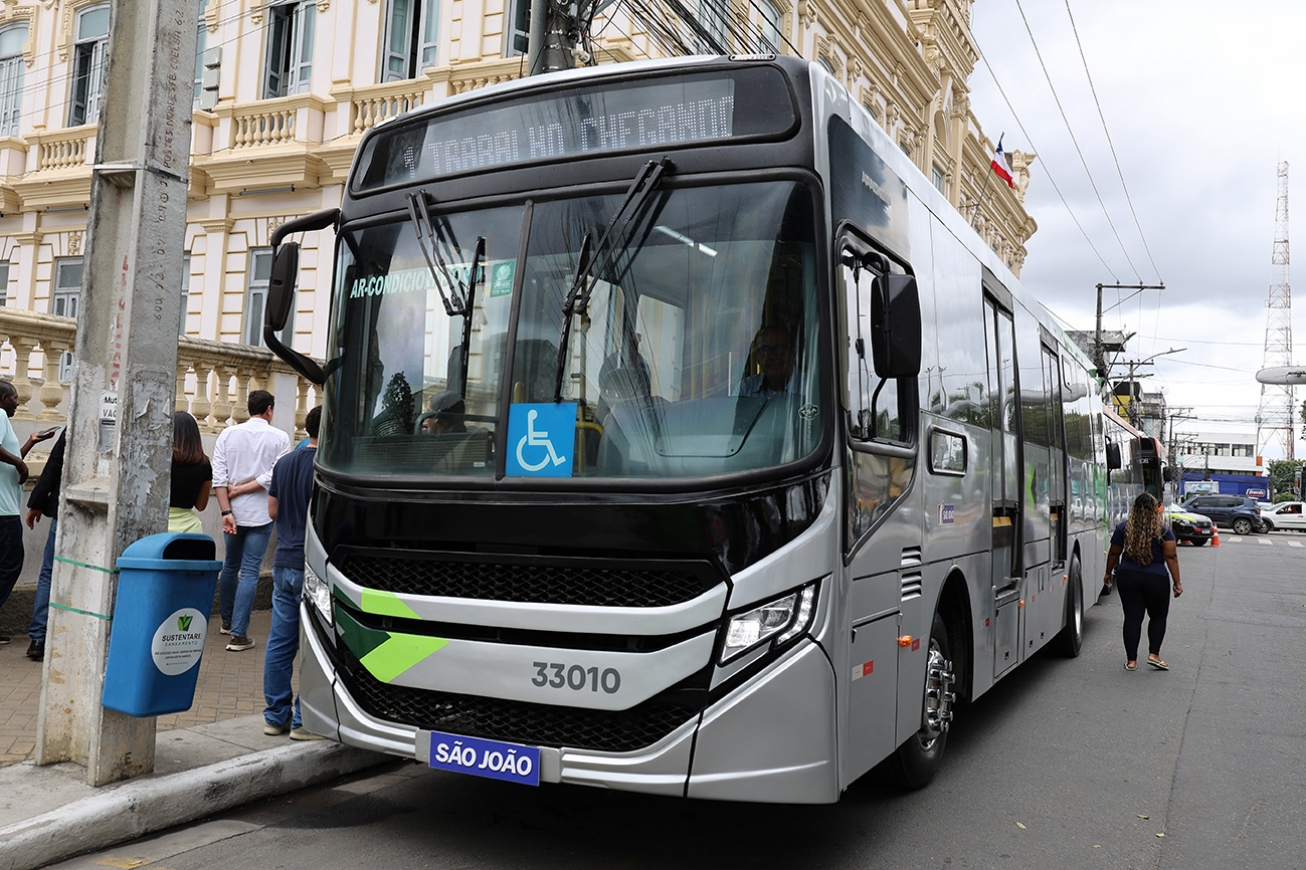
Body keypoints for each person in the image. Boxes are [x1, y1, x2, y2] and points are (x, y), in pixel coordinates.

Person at [212, 390, 290, 652]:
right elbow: (274, 476)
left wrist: (226, 510)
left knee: (230, 566)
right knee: (249, 572)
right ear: (269, 409)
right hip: (261, 514)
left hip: (231, 512)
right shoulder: (280, 437)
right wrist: (244, 488)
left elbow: (219, 477)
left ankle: (226, 621)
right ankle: (238, 635)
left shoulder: (228, 434)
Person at [262, 405, 323, 741]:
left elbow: (272, 510)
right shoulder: (327, 466)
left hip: (284, 561)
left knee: (280, 643)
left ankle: (275, 717)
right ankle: (303, 721)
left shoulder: (284, 463)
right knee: (315, 645)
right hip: (315, 568)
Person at [0, 382, 55, 644]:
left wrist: (30, 443)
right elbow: (13, 462)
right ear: (4, 398)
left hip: (6, 507)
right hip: (4, 511)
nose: (17, 403)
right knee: (11, 564)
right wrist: (21, 464)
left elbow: (9, 462)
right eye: (15, 398)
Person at [1104, 492, 1183, 671]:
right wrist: (1177, 583)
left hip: (1128, 576)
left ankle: (1131, 661)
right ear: (1155, 509)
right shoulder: (1164, 530)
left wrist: (1108, 573)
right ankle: (1154, 654)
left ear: (1134, 509)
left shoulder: (1123, 528)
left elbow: (1114, 552)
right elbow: (1171, 557)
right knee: (1158, 616)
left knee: (1132, 617)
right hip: (1156, 578)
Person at [24, 428, 66, 661]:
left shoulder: (75, 426)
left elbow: (53, 466)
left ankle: (38, 638)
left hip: (64, 509)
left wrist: (37, 503)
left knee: (49, 572)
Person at [169, 412, 212, 533]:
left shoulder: (162, 460)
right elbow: (201, 506)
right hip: (190, 530)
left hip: (160, 529)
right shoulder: (204, 464)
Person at [739, 325, 798, 398]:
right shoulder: (746, 388)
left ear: (792, 353)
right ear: (757, 357)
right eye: (765, 350)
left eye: (780, 349)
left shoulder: (808, 386)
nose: (773, 356)